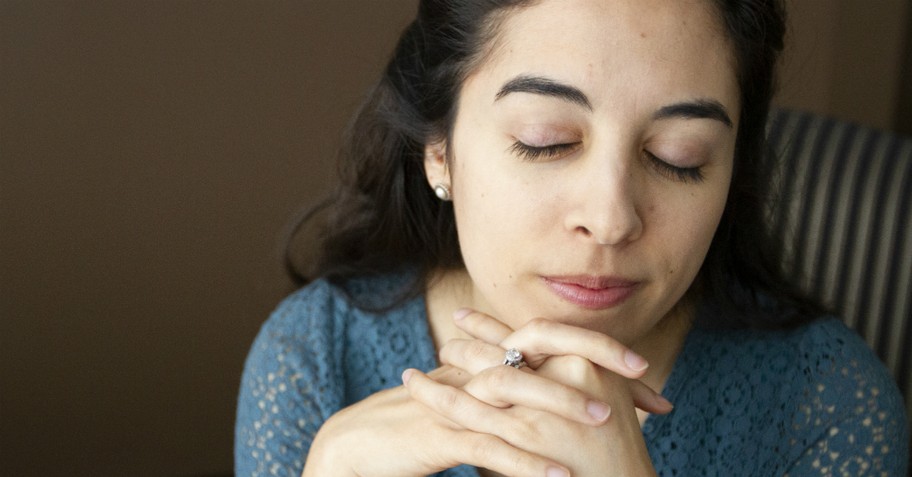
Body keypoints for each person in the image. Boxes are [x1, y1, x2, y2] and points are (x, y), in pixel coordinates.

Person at [235, 0, 909, 475]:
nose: (611, 218)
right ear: (439, 149)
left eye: (681, 156)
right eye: (545, 143)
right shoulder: (314, 359)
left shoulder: (828, 404)